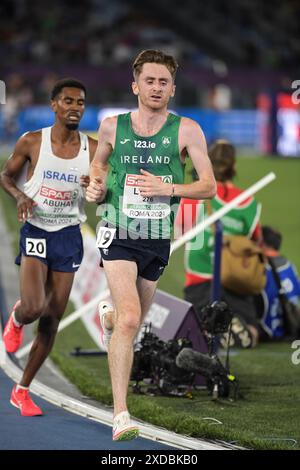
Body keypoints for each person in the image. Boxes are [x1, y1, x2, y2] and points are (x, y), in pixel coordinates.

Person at [85, 49, 216, 441]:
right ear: (135, 85)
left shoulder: (187, 130)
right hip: (117, 228)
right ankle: (121, 414)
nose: (156, 87)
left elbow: (207, 186)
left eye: (163, 82)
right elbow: (99, 163)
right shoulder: (112, 126)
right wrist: (95, 185)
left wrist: (169, 188)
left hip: (157, 237)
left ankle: (106, 319)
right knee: (130, 318)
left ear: (172, 89)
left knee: (130, 320)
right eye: (150, 80)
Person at [1, 78, 97, 416]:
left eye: (80, 102)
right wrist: (21, 196)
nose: (75, 107)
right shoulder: (32, 141)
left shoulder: (94, 149)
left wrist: (96, 188)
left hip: (70, 235)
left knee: (53, 318)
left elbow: (106, 193)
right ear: (54, 105)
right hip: (38, 229)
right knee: (34, 307)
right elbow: (5, 177)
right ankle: (16, 318)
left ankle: (22, 390)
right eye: (68, 101)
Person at [176, 140, 262, 348]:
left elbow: (181, 233)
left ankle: (208, 328)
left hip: (199, 277)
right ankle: (236, 327)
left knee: (195, 330)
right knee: (252, 331)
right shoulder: (247, 201)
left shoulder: (191, 195)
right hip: (234, 277)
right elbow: (254, 240)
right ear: (234, 166)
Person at [257, 226, 300, 339]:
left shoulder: (261, 268)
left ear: (261, 242)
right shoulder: (290, 266)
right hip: (290, 326)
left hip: (266, 330)